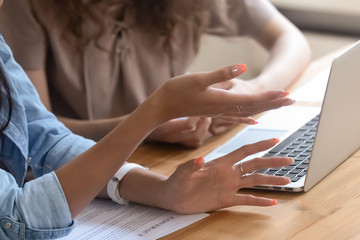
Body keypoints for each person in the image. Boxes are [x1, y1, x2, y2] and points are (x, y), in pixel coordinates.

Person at [0, 4, 297, 236]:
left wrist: (165, 191)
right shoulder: (29, 8)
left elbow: (44, 136)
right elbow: (17, 219)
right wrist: (152, 115)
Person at [0, 0, 310, 147]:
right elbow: (35, 129)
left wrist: (255, 88)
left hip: (173, 155)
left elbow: (291, 39)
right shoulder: (27, 6)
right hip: (83, 165)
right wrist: (146, 124)